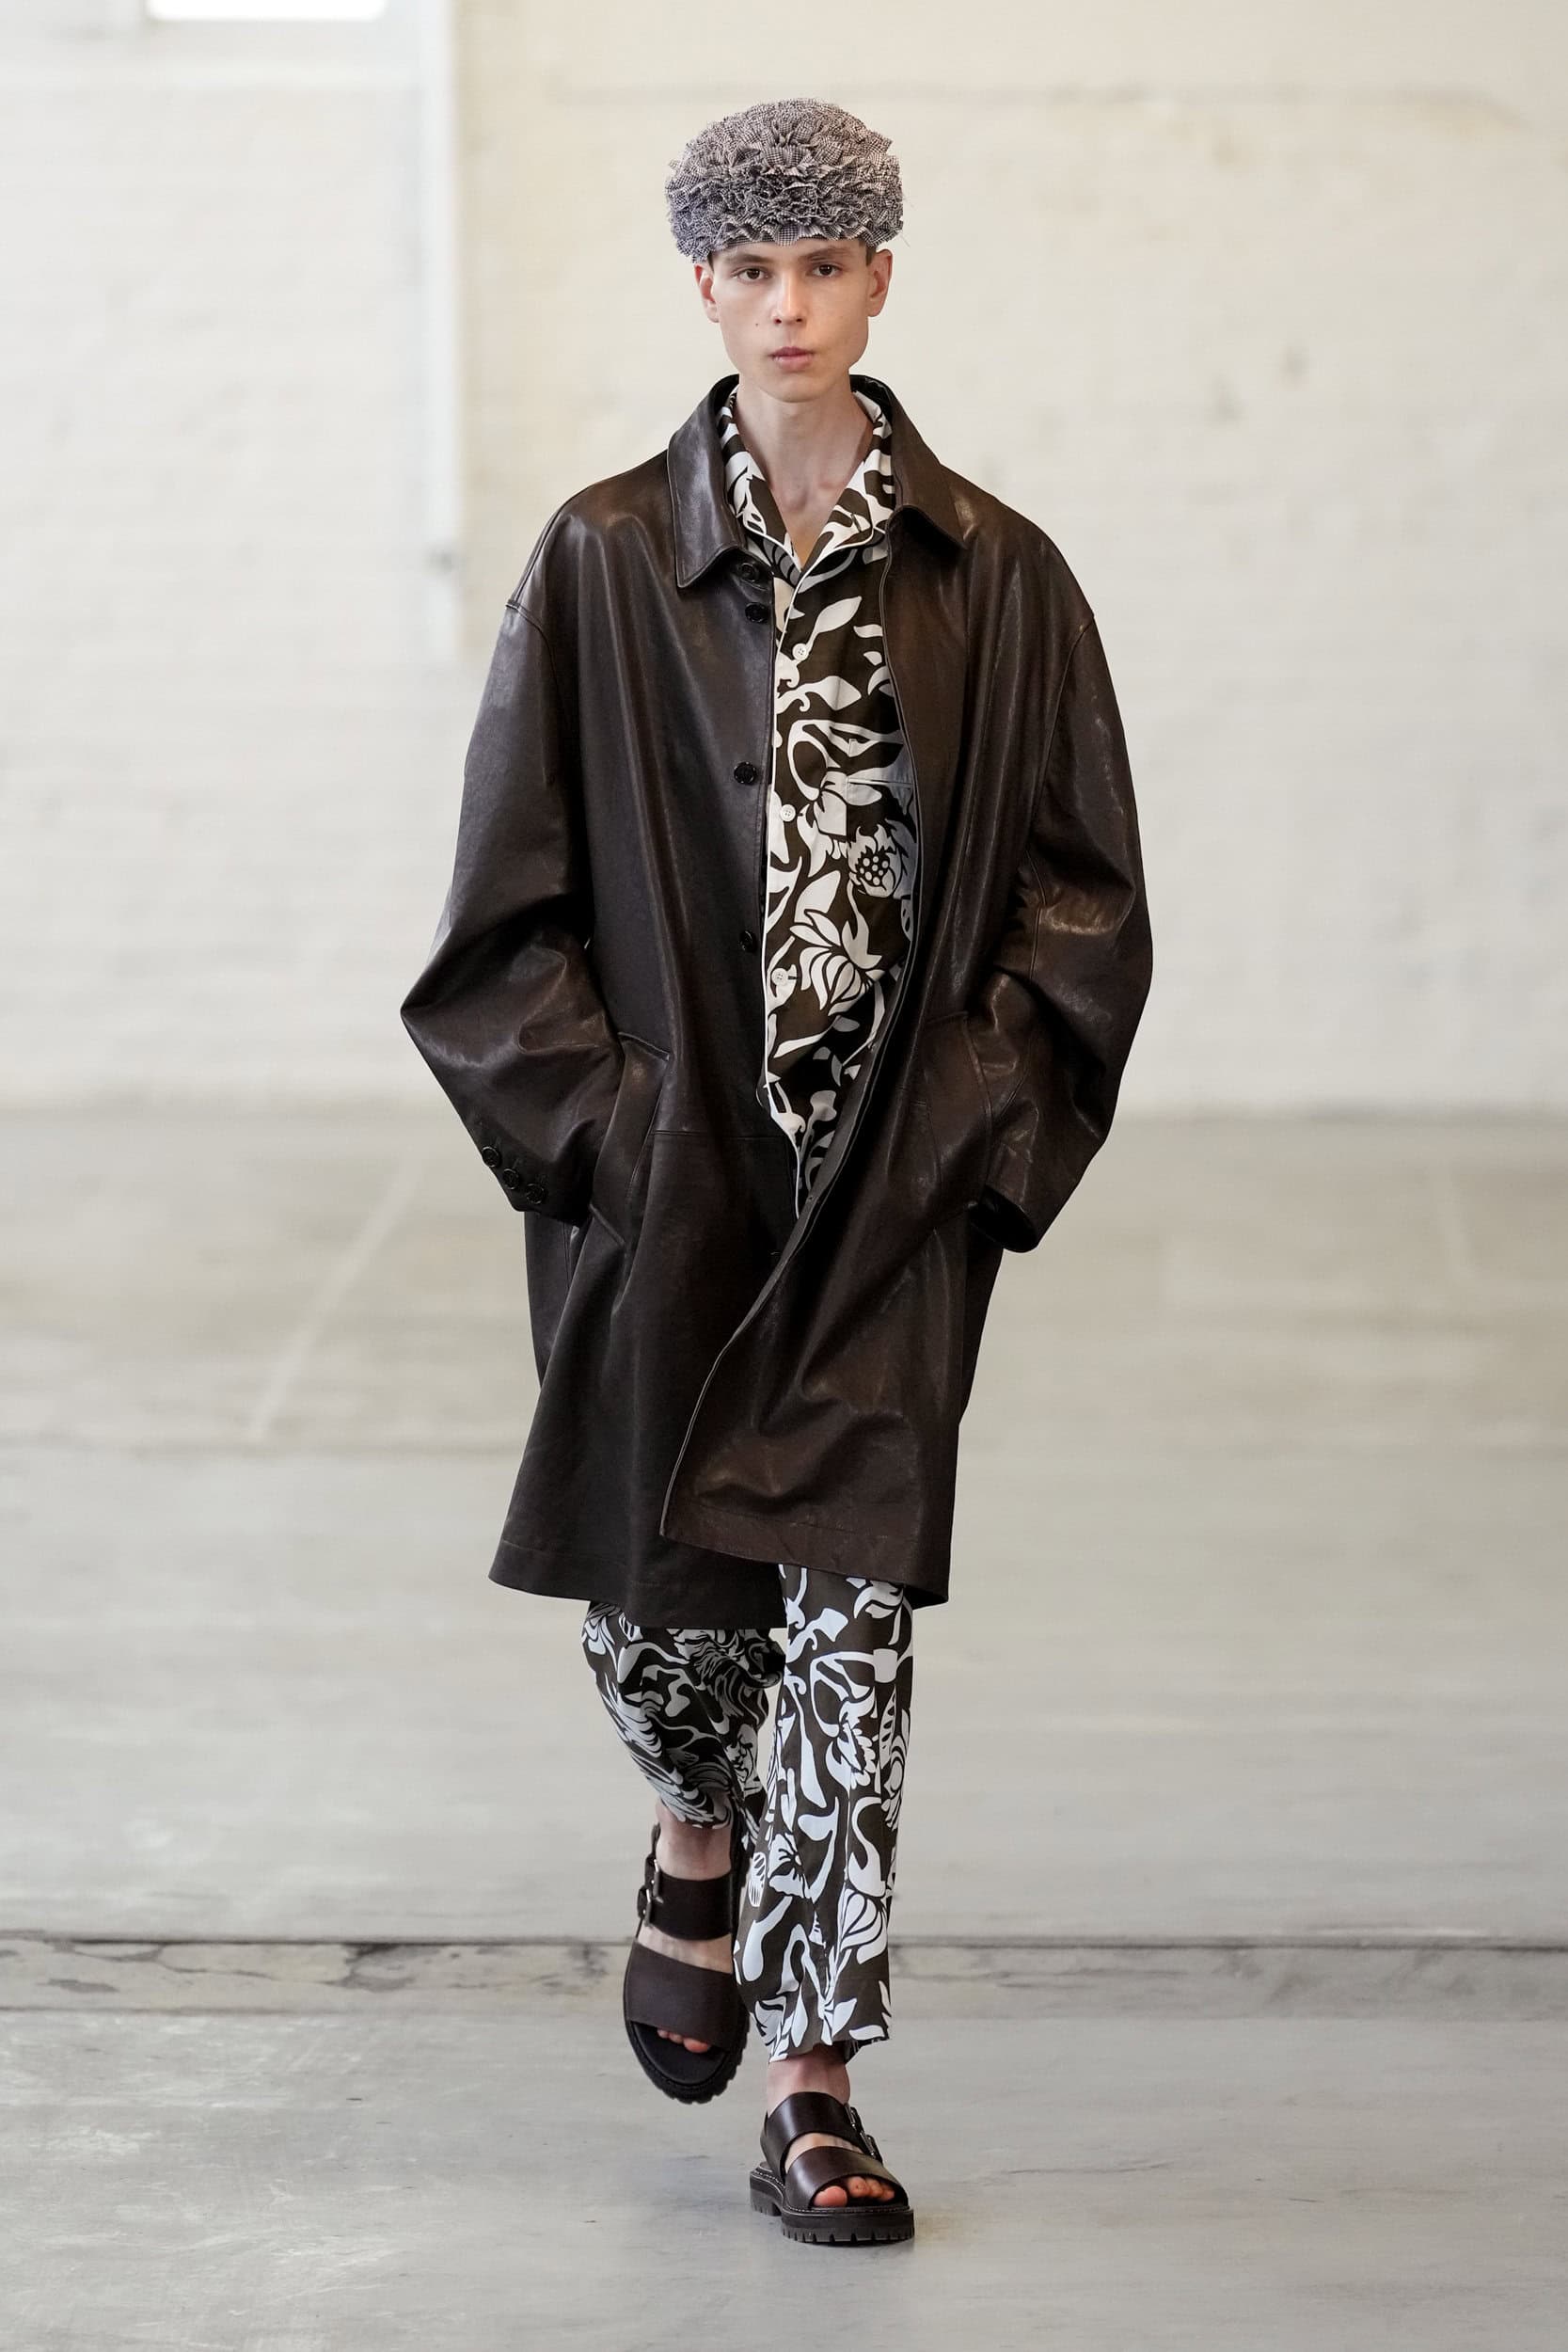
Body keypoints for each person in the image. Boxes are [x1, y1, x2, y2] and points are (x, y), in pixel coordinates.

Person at [401, 96, 1152, 2249]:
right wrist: (615, 1140)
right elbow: (498, 930)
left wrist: (982, 1131)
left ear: (881, 278)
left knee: (849, 1628)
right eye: (754, 268)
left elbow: (1085, 901)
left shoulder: (999, 577)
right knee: (667, 1623)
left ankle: (815, 2074)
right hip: (678, 1186)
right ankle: (689, 1822)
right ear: (705, 287)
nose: (792, 305)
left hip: (884, 1197)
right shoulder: (603, 562)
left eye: (828, 264)